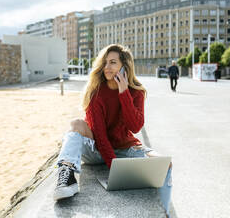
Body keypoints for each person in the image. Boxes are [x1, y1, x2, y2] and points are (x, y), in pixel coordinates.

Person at [53, 44, 173, 216]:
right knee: (76, 124)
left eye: (113, 63)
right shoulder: (96, 92)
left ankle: (165, 211)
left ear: (125, 67)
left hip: (125, 148)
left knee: (164, 163)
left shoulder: (136, 92)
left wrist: (124, 93)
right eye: (105, 62)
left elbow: (135, 126)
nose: (106, 67)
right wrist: (114, 167)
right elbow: (100, 136)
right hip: (97, 150)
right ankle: (66, 175)